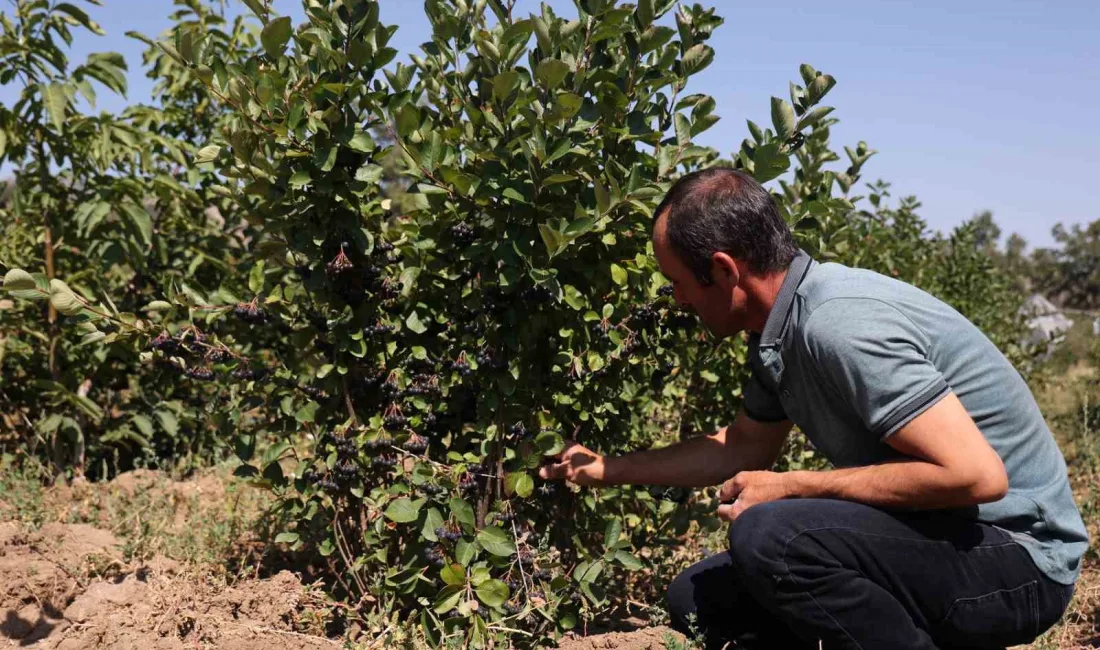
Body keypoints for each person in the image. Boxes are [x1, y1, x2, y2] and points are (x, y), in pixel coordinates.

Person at [537, 167, 1088, 649]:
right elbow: (744, 445)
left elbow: (976, 475)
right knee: (698, 600)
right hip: (946, 539)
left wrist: (794, 485)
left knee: (774, 537)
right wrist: (610, 469)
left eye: (679, 283)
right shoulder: (778, 333)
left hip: (1020, 561)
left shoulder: (836, 324)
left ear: (725, 271)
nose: (677, 300)